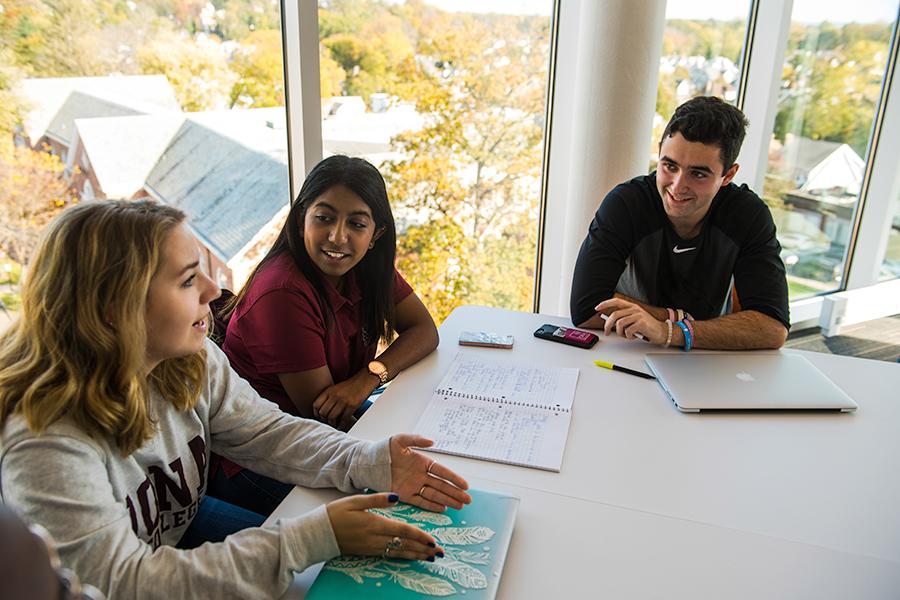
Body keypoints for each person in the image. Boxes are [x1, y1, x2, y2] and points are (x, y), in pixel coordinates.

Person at [0, 200, 471, 599]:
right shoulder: (45, 442)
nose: (212, 290)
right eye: (187, 281)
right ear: (114, 307)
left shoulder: (189, 358)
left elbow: (265, 430)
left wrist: (370, 460)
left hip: (175, 526)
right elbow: (117, 582)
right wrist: (309, 538)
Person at [216, 155, 438, 514]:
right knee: (392, 507)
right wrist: (387, 461)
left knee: (426, 455)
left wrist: (369, 377)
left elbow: (425, 331)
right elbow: (324, 412)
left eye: (356, 223)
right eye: (324, 217)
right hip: (258, 455)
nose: (338, 236)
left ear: (376, 234)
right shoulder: (282, 289)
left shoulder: (365, 265)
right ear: (302, 216)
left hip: (318, 431)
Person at [570, 96, 790, 350]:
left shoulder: (748, 214)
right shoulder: (627, 203)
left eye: (698, 174)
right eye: (669, 165)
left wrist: (669, 331)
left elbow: (773, 327)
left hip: (707, 359)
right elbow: (586, 307)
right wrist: (678, 318)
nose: (677, 186)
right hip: (630, 348)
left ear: (728, 175)